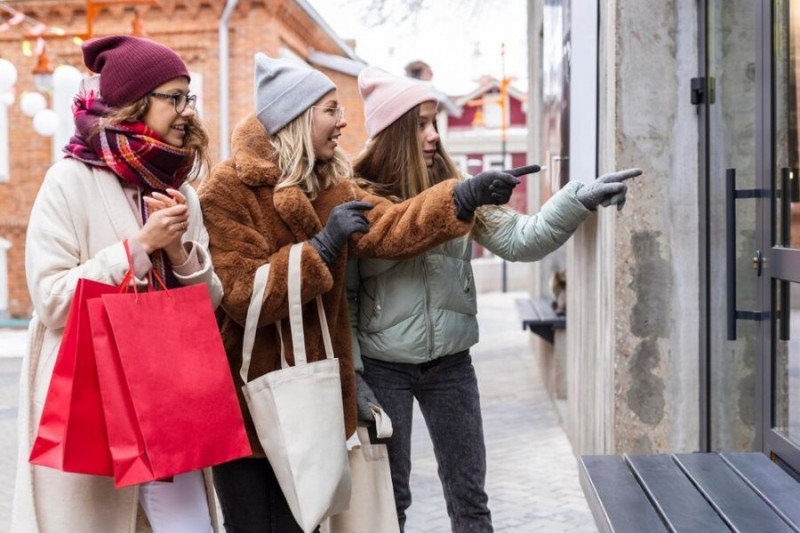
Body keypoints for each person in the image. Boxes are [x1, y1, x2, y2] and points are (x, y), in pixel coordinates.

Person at [197, 53, 529, 533]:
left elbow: (391, 227)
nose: (344, 121)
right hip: (253, 399)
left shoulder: (330, 181)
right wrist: (321, 248)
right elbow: (243, 296)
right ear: (298, 115)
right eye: (331, 109)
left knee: (306, 524)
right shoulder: (227, 191)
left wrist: (461, 196)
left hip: (315, 396)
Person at [347, 66, 642, 532]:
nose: (432, 135)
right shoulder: (359, 198)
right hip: (385, 368)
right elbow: (344, 299)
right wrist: (357, 375)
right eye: (420, 124)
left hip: (450, 364)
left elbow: (523, 238)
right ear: (393, 131)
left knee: (469, 497)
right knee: (391, 500)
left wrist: (580, 198)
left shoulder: (457, 186)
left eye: (434, 123)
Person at [12, 35, 224, 533]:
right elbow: (51, 300)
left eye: (187, 97)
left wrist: (178, 252)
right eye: (173, 97)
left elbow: (208, 306)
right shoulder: (68, 180)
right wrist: (138, 248)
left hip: (169, 399)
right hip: (94, 401)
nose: (185, 111)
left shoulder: (180, 188)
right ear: (136, 101)